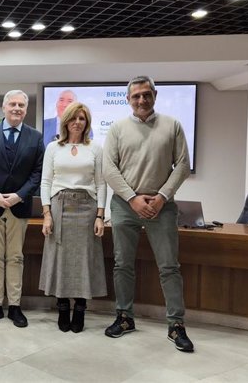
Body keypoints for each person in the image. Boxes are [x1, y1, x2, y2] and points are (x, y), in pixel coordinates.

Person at [102, 75, 194, 352]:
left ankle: (176, 325)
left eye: (146, 94)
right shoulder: (117, 128)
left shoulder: (172, 125)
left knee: (169, 267)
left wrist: (161, 197)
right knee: (122, 264)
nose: (141, 100)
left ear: (155, 95)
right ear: (128, 99)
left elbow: (183, 165)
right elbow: (109, 168)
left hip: (162, 207)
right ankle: (124, 317)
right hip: (124, 206)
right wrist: (133, 199)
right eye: (135, 96)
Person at [0, 90, 44, 328]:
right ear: (3, 108)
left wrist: (19, 196)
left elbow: (37, 173)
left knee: (15, 257)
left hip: (19, 207)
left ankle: (14, 306)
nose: (17, 108)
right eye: (12, 104)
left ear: (25, 109)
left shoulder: (35, 138)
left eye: (21, 105)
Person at [39, 102, 107, 333]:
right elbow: (46, 182)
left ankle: (80, 307)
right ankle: (62, 306)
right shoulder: (53, 148)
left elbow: (100, 183)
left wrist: (100, 215)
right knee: (60, 258)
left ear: (87, 123)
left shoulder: (95, 148)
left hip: (87, 207)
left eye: (82, 118)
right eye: (73, 118)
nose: (77, 122)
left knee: (84, 259)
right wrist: (47, 214)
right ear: (65, 121)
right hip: (60, 206)